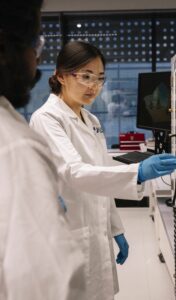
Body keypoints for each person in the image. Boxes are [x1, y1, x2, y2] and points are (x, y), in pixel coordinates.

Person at [30, 40, 176, 300]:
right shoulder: (47, 118)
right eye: (86, 76)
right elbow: (74, 173)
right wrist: (139, 172)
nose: (94, 86)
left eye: (99, 78)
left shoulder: (91, 119)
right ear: (61, 76)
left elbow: (100, 173)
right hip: (69, 235)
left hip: (94, 231)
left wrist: (116, 228)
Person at [0, 2, 85, 300]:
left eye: (98, 77)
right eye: (35, 42)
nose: (38, 55)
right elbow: (51, 287)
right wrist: (137, 171)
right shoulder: (15, 145)